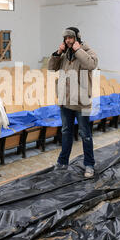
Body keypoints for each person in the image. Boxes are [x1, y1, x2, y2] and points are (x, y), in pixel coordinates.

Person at [48, 27, 98, 178]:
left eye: (71, 38)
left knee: (85, 134)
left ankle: (89, 165)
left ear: (77, 38)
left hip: (82, 102)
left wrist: (78, 50)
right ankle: (63, 161)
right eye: (66, 38)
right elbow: (51, 68)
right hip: (65, 100)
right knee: (66, 132)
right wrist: (57, 53)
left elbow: (91, 65)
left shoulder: (87, 50)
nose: (68, 41)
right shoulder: (64, 54)